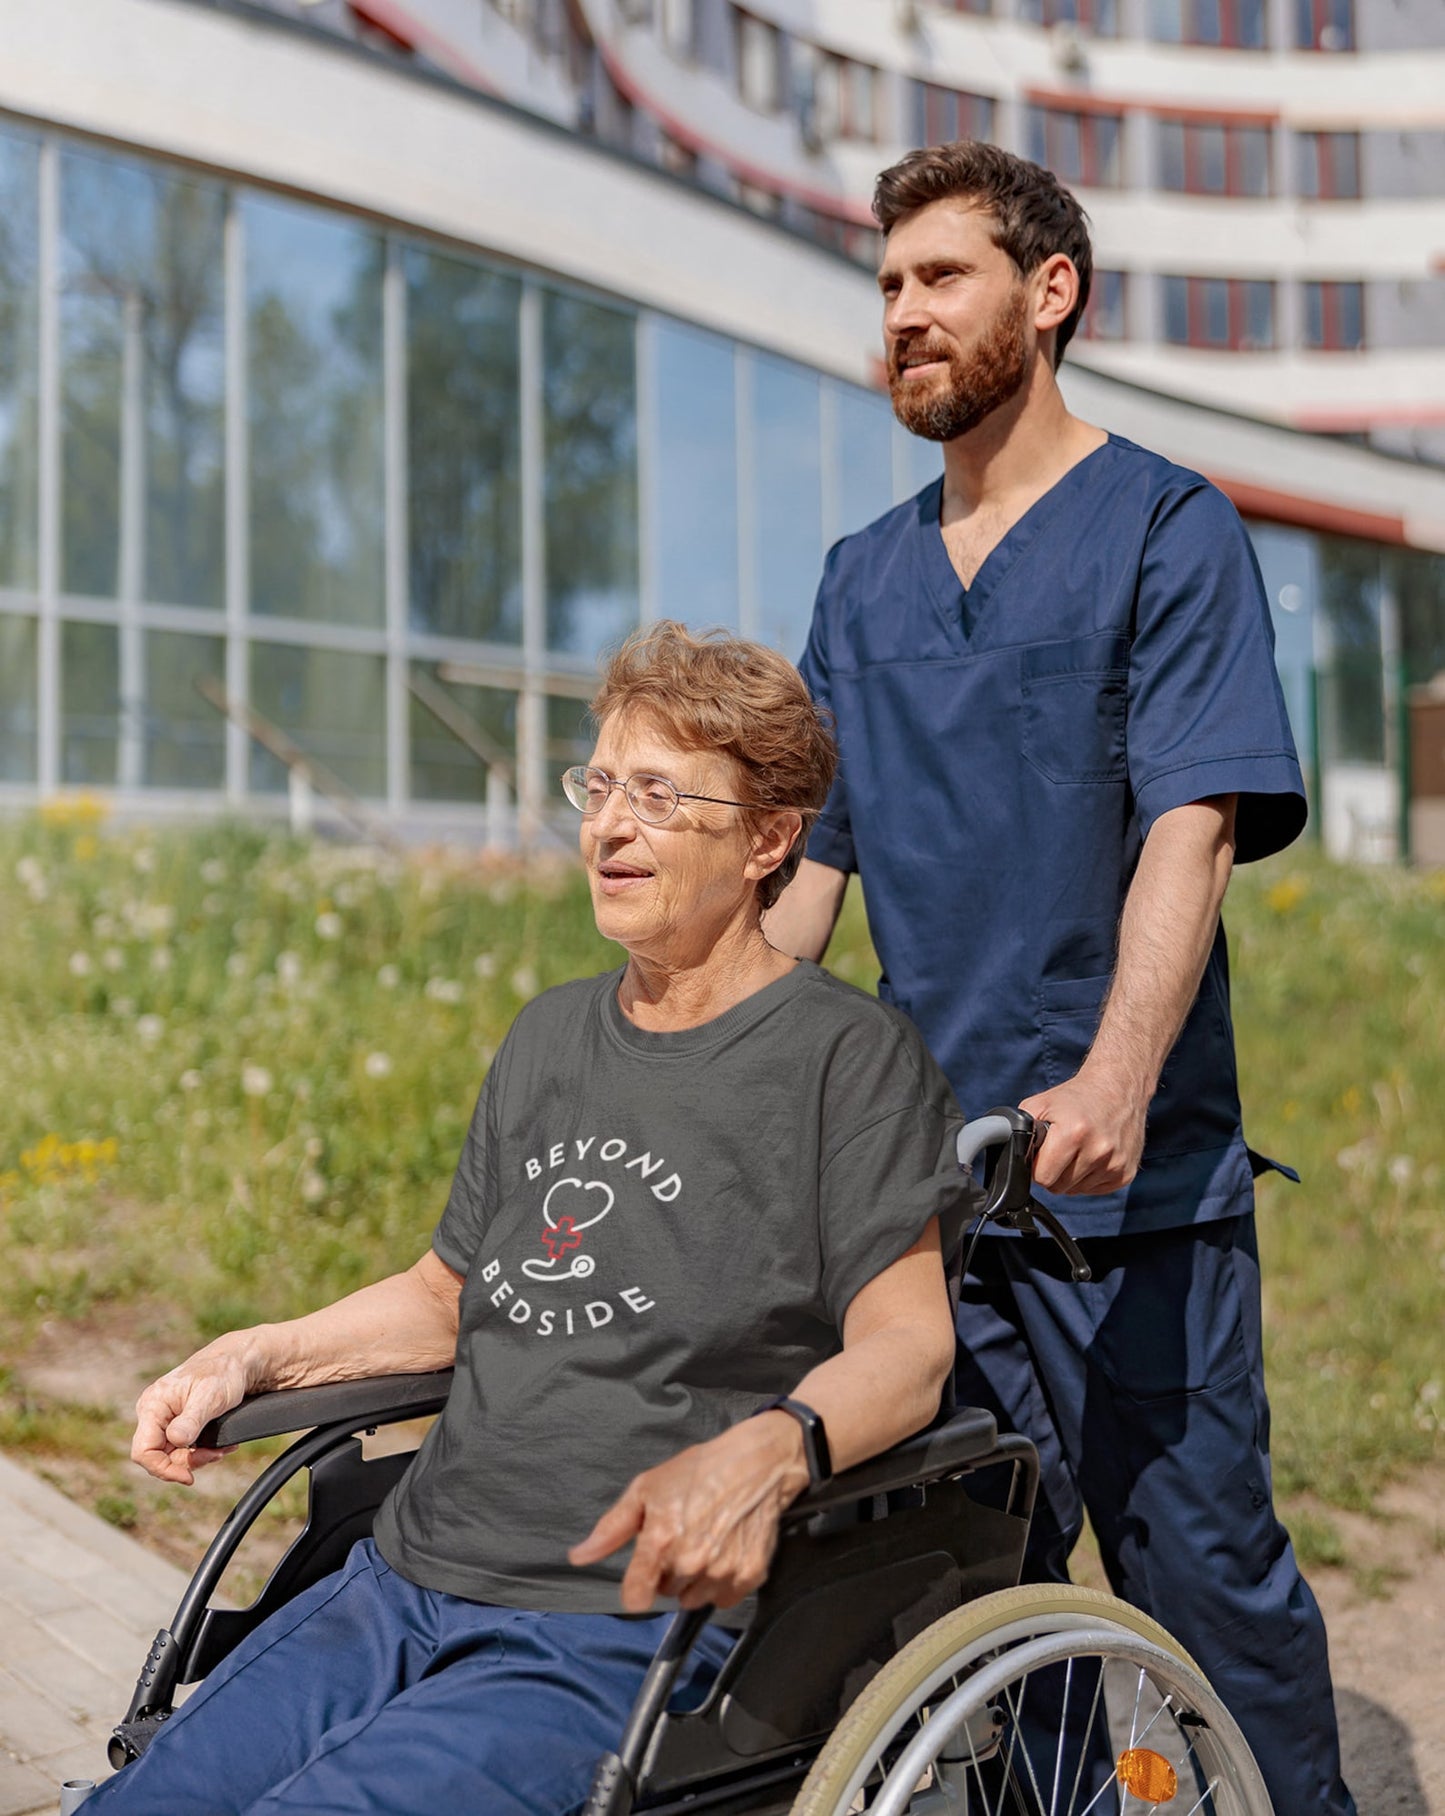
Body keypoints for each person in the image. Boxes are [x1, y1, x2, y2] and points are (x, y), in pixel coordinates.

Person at [89, 623, 967, 1816]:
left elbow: (910, 1350)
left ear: (767, 838)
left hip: (611, 1625)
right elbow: (448, 1295)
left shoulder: (844, 1060)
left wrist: (770, 1447)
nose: (605, 826)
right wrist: (255, 1352)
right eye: (598, 784)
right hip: (401, 1576)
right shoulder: (551, 1037)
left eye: (657, 794)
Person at [765, 140, 1354, 1815]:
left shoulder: (1167, 530)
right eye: (885, 287)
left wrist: (1107, 1078)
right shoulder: (860, 581)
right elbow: (812, 882)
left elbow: (1195, 827)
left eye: (938, 278)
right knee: (984, 1623)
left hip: (1130, 1202)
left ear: (1050, 292)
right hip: (938, 1220)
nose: (903, 315)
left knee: (1212, 1609)